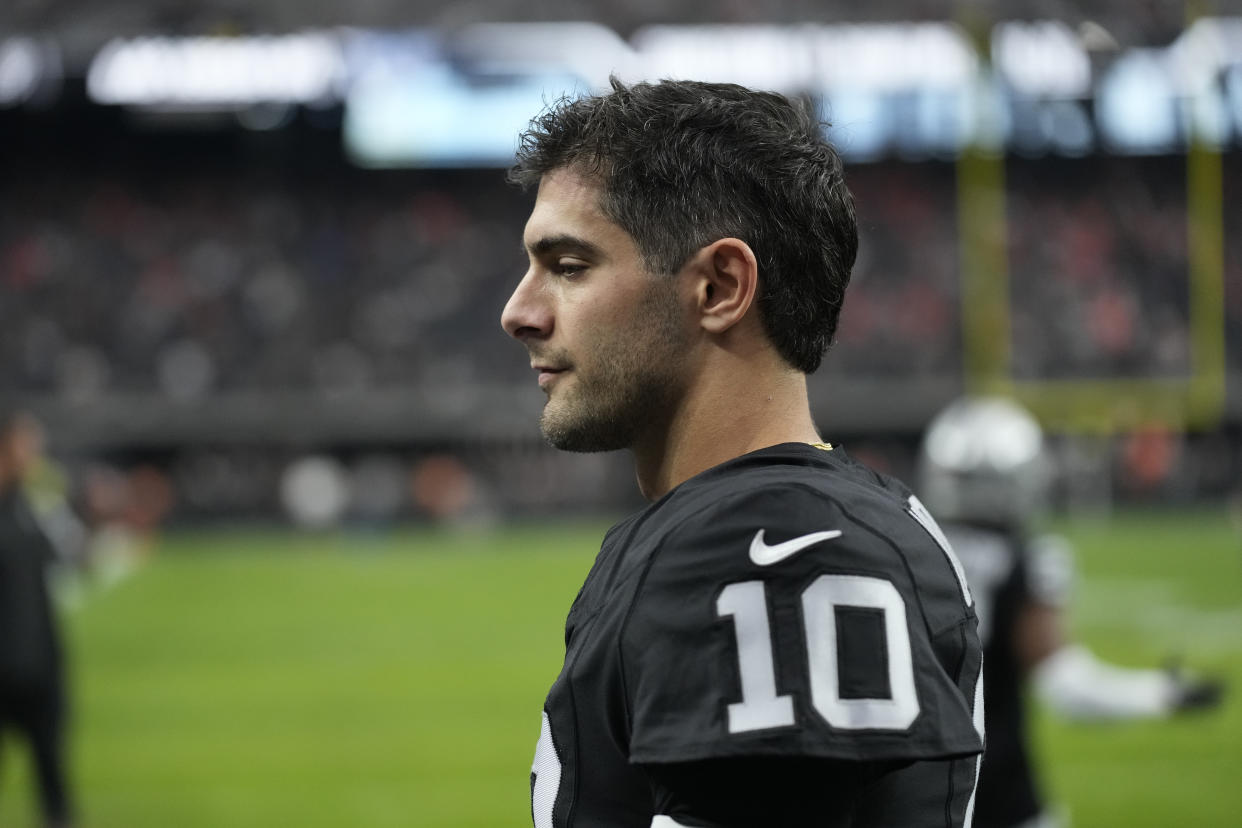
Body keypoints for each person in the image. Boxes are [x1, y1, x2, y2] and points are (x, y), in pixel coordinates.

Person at [501, 78, 984, 828]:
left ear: (721, 286)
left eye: (568, 266)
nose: (519, 312)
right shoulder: (795, 516)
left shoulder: (766, 547)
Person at [916, 395, 1225, 828]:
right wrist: (1160, 694)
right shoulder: (1028, 559)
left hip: (916, 796)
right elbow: (1065, 686)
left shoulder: (909, 550)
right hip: (1002, 792)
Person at [0, 409, 76, 828]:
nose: (33, 455)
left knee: (52, 773)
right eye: (24, 445)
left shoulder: (35, 503)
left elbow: (67, 558)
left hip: (39, 661)